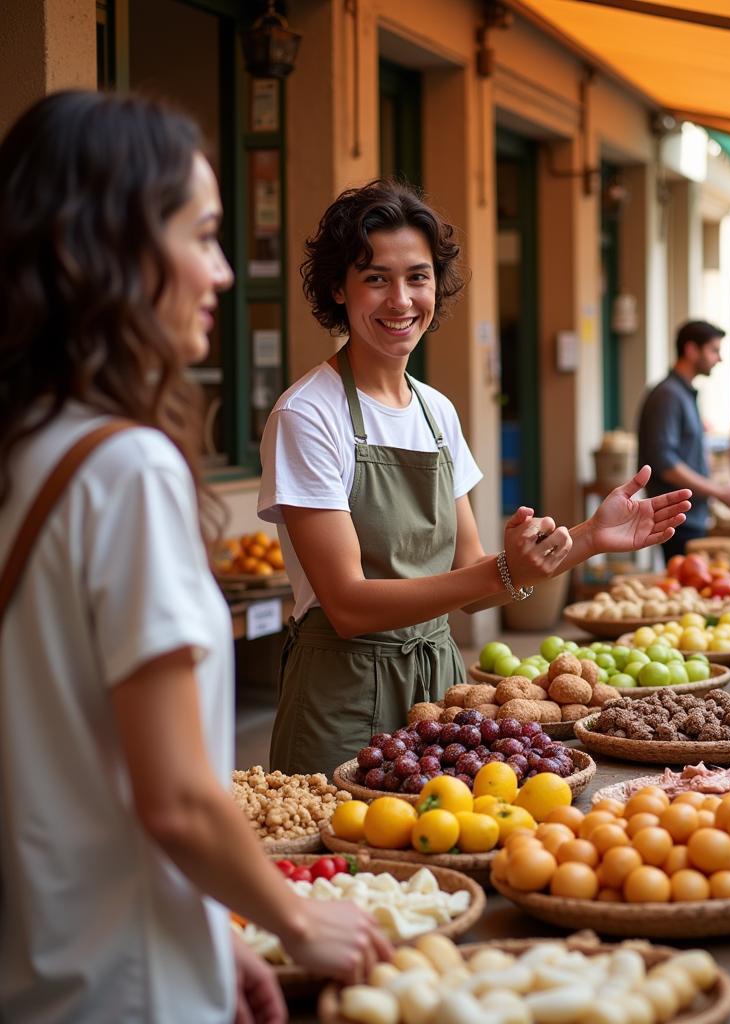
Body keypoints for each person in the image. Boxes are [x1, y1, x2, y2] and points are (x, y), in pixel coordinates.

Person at [0, 91, 391, 1024]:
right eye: (203, 234)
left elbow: (73, 753)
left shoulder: (28, 451)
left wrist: (213, 926)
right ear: (109, 246)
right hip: (131, 987)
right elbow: (175, 796)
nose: (222, 271)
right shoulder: (125, 470)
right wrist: (295, 918)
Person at [257, 179, 691, 773]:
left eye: (417, 277)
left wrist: (589, 538)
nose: (401, 300)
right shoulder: (307, 414)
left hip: (441, 688)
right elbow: (349, 605)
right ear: (338, 288)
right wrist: (503, 568)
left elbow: (472, 585)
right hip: (342, 694)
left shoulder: (437, 413)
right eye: (376, 278)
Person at [636, 319, 730, 560]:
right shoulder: (668, 395)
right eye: (714, 350)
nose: (720, 358)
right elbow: (665, 464)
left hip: (688, 517)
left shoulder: (682, 393)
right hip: (678, 519)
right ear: (691, 350)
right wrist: (718, 491)